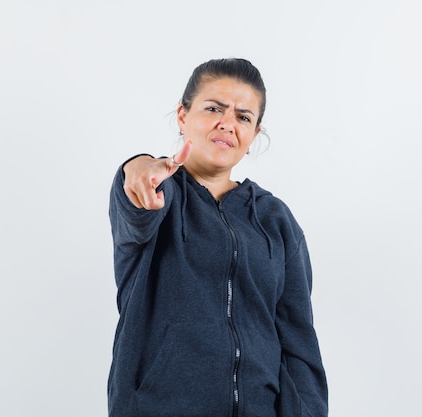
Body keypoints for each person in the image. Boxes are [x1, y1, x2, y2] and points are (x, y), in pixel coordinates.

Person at [108, 58, 328, 417]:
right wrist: (137, 167)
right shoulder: (159, 194)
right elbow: (136, 207)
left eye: (244, 117)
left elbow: (299, 343)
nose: (228, 123)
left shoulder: (276, 220)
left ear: (254, 134)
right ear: (183, 115)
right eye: (214, 108)